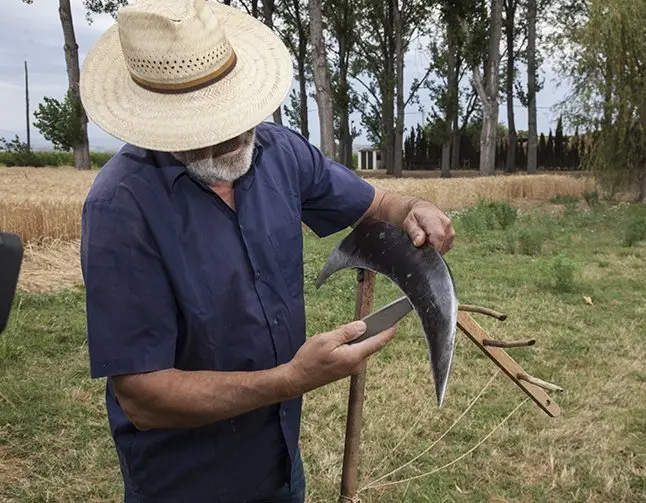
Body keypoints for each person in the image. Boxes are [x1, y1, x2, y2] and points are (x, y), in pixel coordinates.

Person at [78, 1, 455, 502]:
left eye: (236, 111)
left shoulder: (280, 153)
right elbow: (144, 398)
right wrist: (291, 379)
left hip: (278, 464)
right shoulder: (121, 208)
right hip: (187, 483)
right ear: (157, 125)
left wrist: (415, 205)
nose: (235, 138)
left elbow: (380, 203)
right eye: (204, 126)